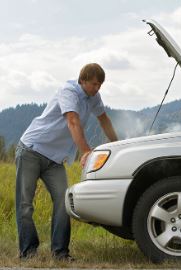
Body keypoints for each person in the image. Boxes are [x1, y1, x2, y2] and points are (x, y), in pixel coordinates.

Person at [15, 63, 118, 261]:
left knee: (64, 202)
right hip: (32, 149)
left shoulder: (93, 97)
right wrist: (86, 151)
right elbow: (72, 120)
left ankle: (60, 253)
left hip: (54, 160)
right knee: (25, 204)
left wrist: (117, 144)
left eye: (100, 85)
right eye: (95, 84)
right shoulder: (68, 91)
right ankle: (28, 252)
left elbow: (103, 119)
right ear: (83, 80)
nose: (97, 88)